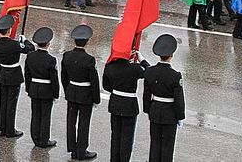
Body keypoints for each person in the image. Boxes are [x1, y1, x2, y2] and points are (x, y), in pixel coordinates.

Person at [143, 34, 186, 162]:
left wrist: (148, 109)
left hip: (155, 110)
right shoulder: (175, 75)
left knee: (155, 143)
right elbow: (179, 99)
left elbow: (146, 94)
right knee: (167, 146)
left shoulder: (150, 71)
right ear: (171, 55)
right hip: (170, 113)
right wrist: (180, 116)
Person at [103, 49, 150, 162]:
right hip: (129, 105)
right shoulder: (135, 68)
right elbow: (150, 72)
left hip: (115, 102)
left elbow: (106, 86)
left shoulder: (110, 66)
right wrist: (141, 59)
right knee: (127, 138)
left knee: (115, 136)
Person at [0, 14, 35, 139]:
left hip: (3, 73)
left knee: (3, 101)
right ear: (9, 30)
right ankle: (10, 130)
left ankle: (2, 127)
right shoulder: (14, 45)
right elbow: (30, 49)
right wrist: (25, 40)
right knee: (11, 103)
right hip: (14, 75)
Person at [61, 24, 99, 161]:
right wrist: (96, 98)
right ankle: (82, 151)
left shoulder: (67, 55)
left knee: (71, 121)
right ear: (87, 42)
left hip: (72, 91)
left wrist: (67, 90)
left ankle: (72, 149)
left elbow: (63, 77)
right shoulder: (89, 59)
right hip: (85, 94)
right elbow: (94, 81)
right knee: (84, 123)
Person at [25, 27, 59, 148]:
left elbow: (27, 74)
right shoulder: (51, 59)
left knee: (35, 114)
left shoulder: (30, 56)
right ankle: (44, 139)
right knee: (45, 115)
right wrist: (56, 93)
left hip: (34, 88)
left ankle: (35, 137)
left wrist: (28, 88)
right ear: (48, 44)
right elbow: (54, 78)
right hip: (46, 90)